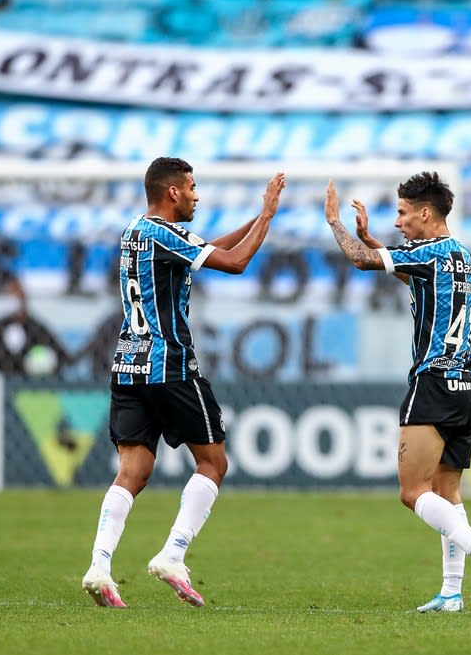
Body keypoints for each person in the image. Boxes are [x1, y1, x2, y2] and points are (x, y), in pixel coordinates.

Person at [81, 157, 286, 608]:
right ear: (172, 192)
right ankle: (173, 554)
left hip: (129, 366)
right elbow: (233, 262)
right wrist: (268, 216)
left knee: (133, 471)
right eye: (192, 187)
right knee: (213, 463)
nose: (197, 194)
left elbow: (208, 249)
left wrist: (259, 214)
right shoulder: (165, 233)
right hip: (168, 366)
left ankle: (100, 565)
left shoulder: (137, 230)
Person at [323, 172, 471, 612]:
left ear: (427, 213)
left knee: (412, 491)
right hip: (468, 383)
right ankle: (451, 593)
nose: (399, 222)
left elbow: (358, 261)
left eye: (404, 213)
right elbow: (422, 283)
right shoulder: (460, 255)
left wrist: (336, 223)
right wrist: (373, 239)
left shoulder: (427, 251)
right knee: (447, 492)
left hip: (434, 380)